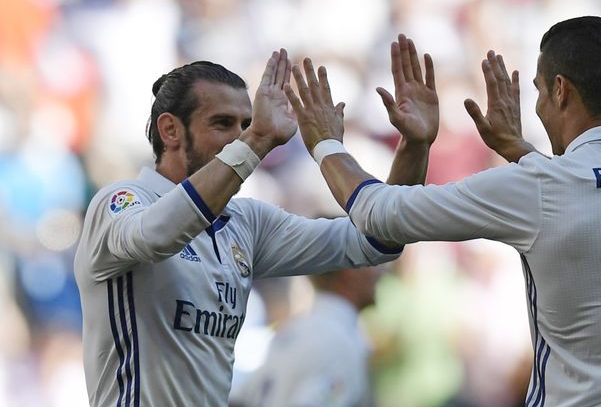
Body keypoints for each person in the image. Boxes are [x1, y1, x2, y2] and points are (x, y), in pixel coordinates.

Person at [286, 17, 601, 406]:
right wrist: (522, 153)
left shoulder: (538, 188)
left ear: (561, 90)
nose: (535, 107)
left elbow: (381, 215)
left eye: (538, 90)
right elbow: (600, 197)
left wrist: (326, 142)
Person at [74, 39, 438, 407]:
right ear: (170, 130)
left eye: (246, 125)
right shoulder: (119, 202)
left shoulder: (247, 222)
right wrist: (257, 139)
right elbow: (155, 237)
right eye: (222, 124)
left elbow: (374, 240)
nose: (239, 137)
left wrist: (415, 146)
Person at [229, 262, 385, 407]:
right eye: (372, 261)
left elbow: (238, 397)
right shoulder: (338, 341)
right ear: (350, 272)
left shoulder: (292, 331)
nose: (380, 271)